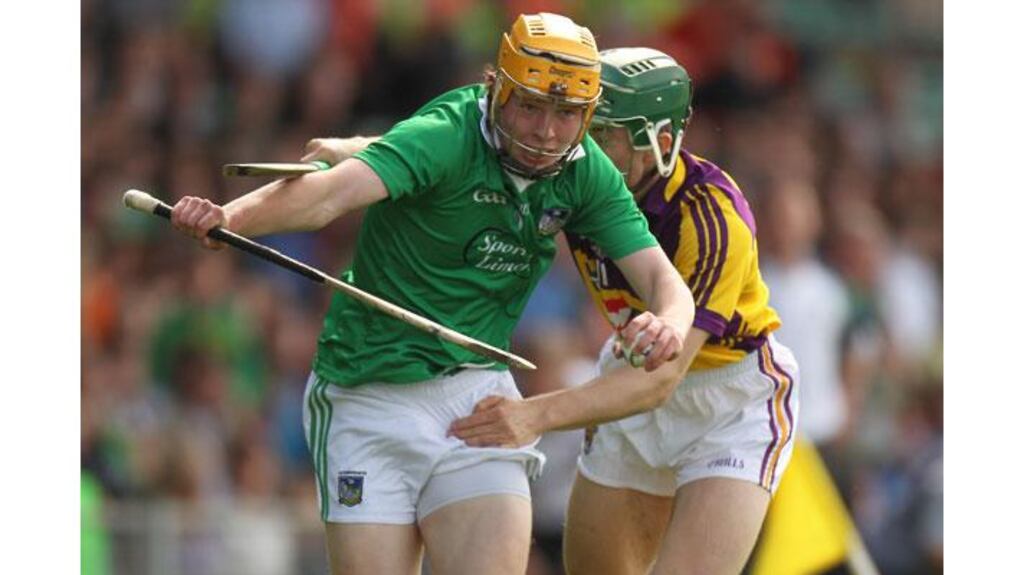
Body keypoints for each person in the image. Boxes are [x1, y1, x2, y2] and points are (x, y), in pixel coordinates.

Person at [169, 14, 694, 575]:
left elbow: (668, 286)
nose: (546, 131)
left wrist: (668, 322)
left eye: (566, 114)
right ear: (497, 90)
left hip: (475, 398)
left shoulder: (585, 172)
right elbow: (327, 195)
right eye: (532, 106)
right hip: (366, 394)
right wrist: (230, 218)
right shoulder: (446, 133)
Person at [447, 47, 802, 575]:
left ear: (658, 143)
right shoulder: (573, 174)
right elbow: (452, 154)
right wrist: (365, 156)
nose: (576, 143)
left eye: (602, 132)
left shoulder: (711, 221)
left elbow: (664, 379)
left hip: (728, 404)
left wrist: (532, 415)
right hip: (629, 382)